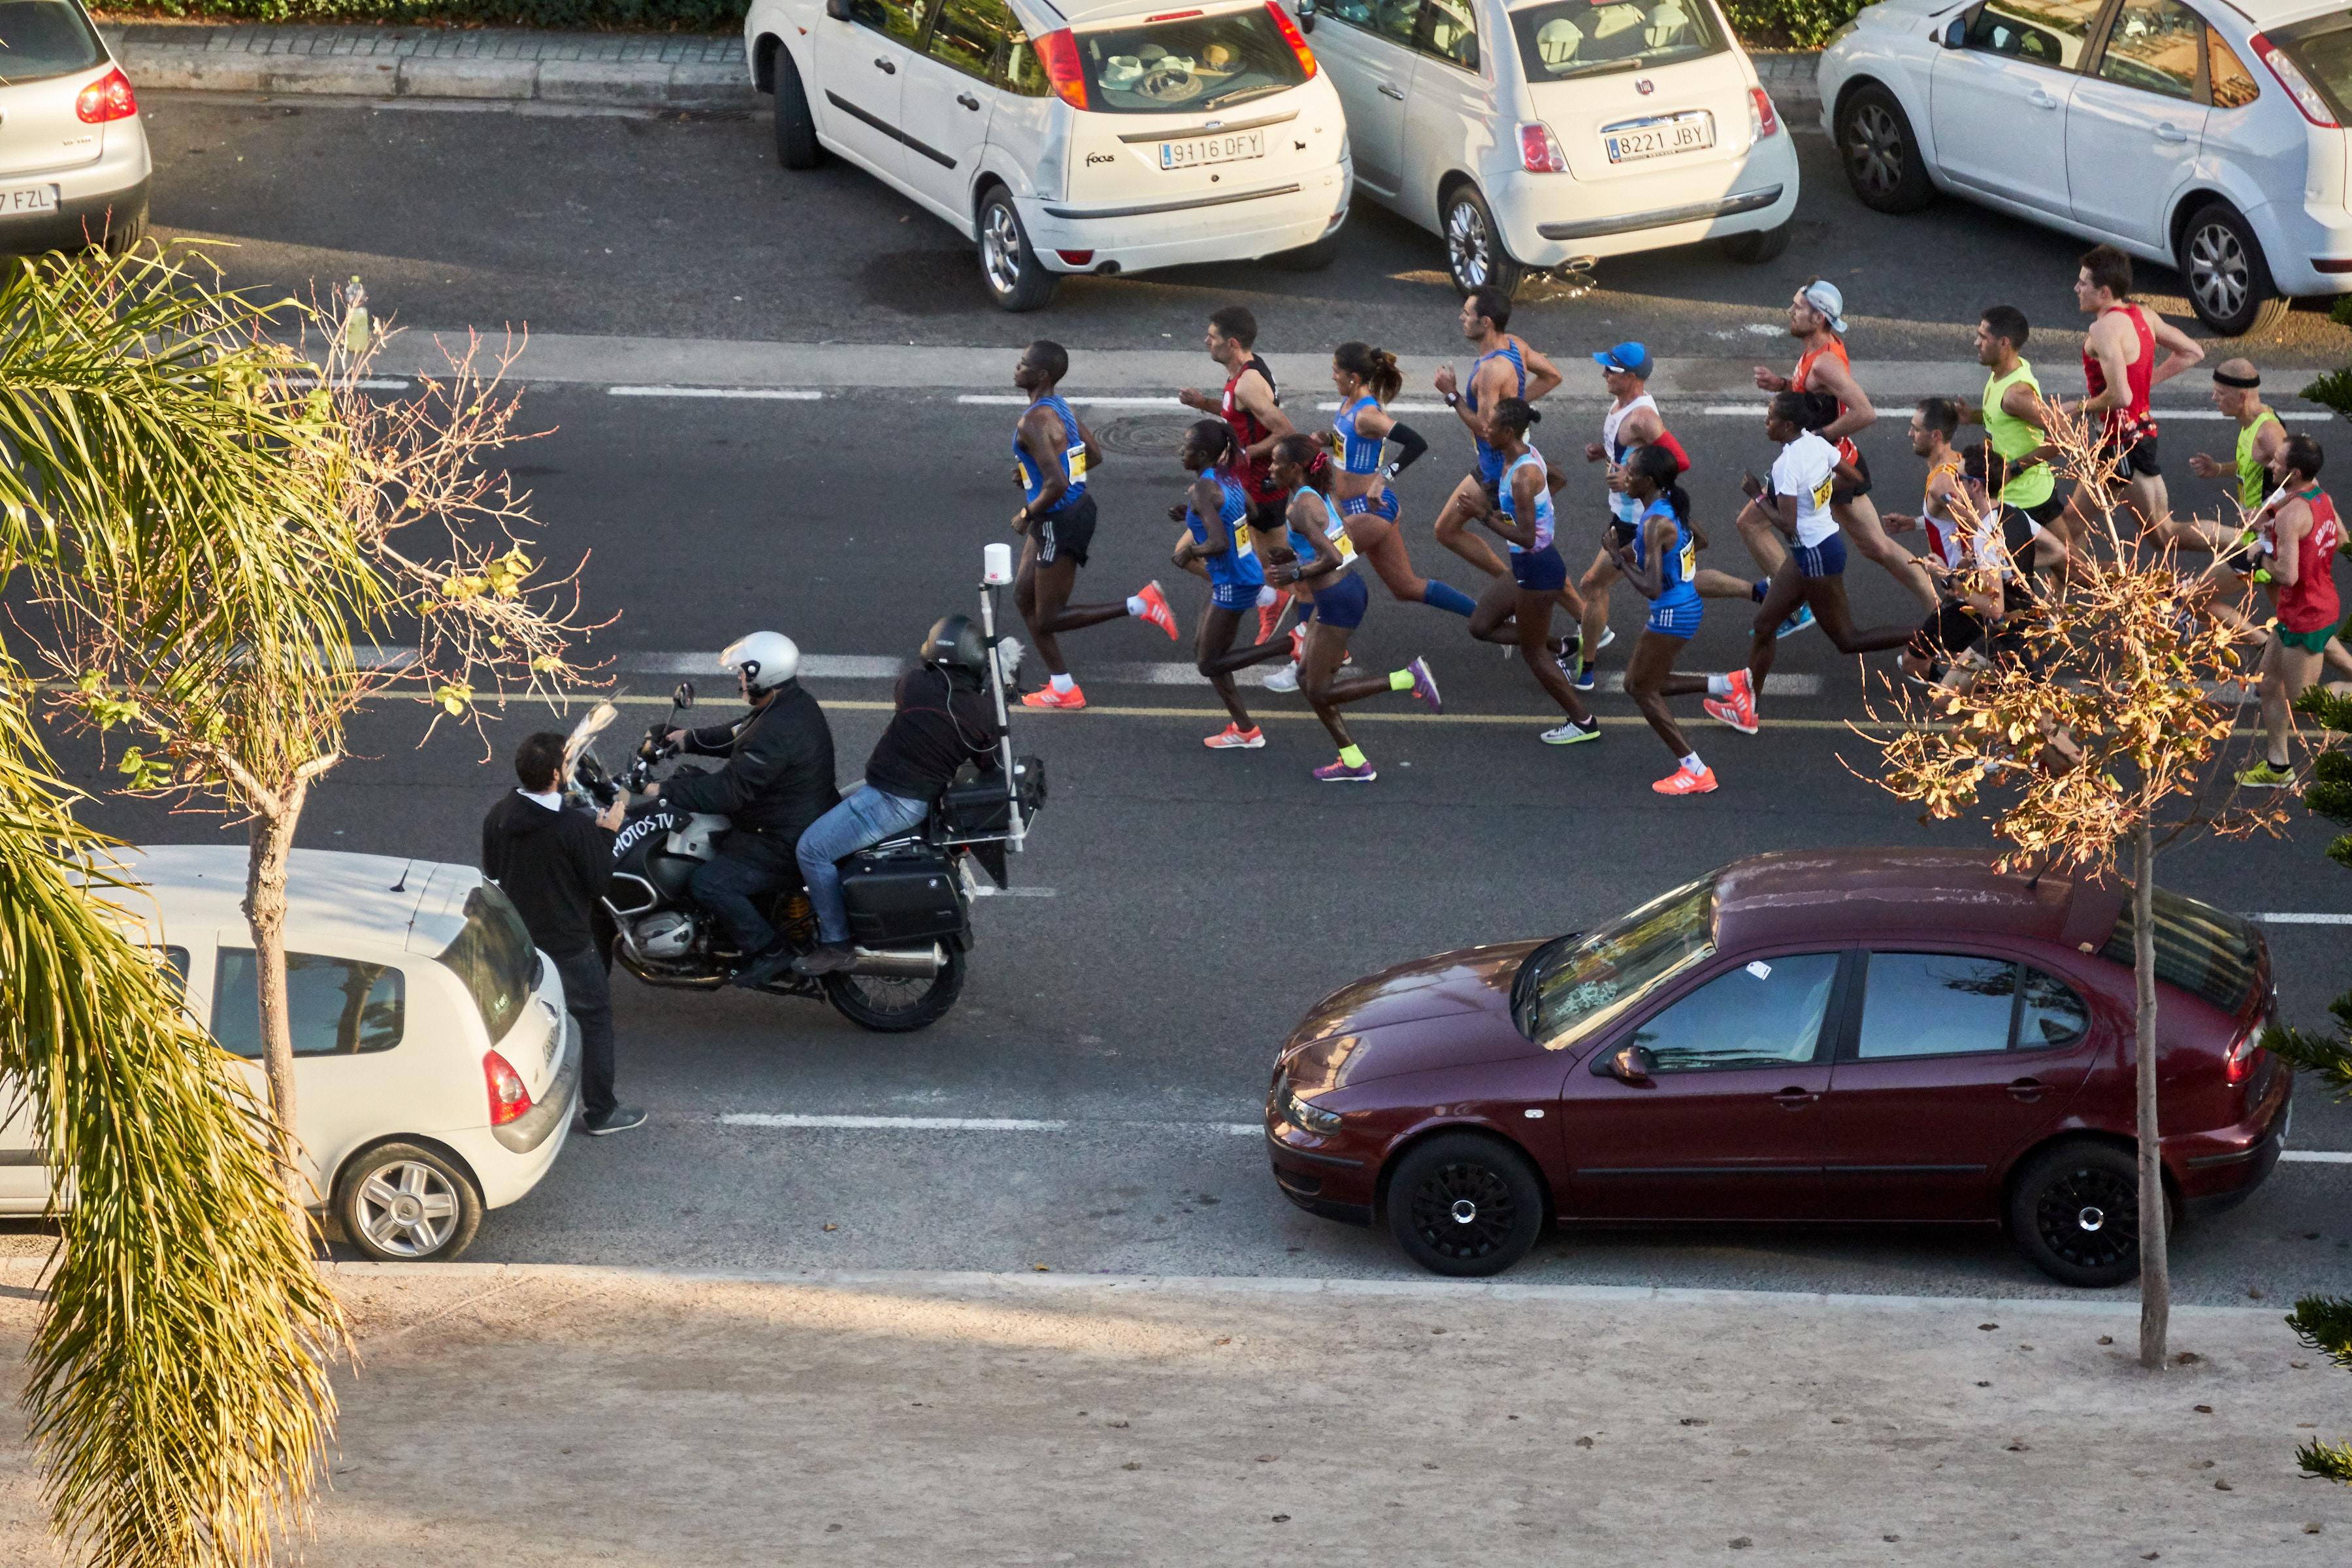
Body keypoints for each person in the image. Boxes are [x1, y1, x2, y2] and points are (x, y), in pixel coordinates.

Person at [794, 617, 1004, 976]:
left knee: (811, 850)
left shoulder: (913, 685)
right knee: (821, 814)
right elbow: (990, 763)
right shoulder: (985, 713)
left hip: (891, 799)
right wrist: (994, 699)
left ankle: (836, 943)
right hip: (909, 795)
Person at [1704, 393, 1921, 736]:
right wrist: (1818, 495)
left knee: (1848, 639)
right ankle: (1746, 709)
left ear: (1788, 426)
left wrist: (1757, 495)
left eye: (1771, 417)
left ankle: (1933, 634)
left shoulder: (1787, 465)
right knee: (1764, 624)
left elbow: (1787, 525)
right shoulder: (1816, 443)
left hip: (1816, 553)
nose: (1766, 421)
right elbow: (1854, 479)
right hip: (1812, 550)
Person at [640, 631, 840, 988]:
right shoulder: (789, 704)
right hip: (794, 816)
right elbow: (738, 734)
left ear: (761, 674)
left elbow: (729, 792)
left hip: (781, 838)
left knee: (709, 883)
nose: (739, 679)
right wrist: (685, 739)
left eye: (742, 673)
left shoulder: (777, 729)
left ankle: (769, 951)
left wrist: (660, 789)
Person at [1746, 280, 1940, 618]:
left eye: (1798, 307)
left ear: (1819, 317)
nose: (1790, 311)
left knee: (1751, 524)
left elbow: (1865, 412)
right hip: (1837, 464)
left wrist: (1817, 438)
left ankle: (1794, 605)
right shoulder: (1819, 348)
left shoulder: (1825, 363)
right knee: (1878, 547)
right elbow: (1816, 395)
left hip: (1826, 468)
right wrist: (1780, 384)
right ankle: (1939, 610)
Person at [480, 732, 641, 1136]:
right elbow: (600, 882)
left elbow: (494, 872)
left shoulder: (499, 815)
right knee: (595, 1017)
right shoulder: (573, 828)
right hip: (567, 943)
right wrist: (607, 833)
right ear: (556, 774)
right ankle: (602, 1111)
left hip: (518, 941)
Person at [1260, 433, 1444, 781]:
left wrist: (1296, 570)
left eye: (1276, 462)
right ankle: (1353, 759)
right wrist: (1297, 554)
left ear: (1295, 468)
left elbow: (1332, 557)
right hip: (1344, 591)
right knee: (1305, 679)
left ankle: (1407, 679)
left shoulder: (1299, 507)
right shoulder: (1318, 493)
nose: (1270, 468)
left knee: (1319, 690)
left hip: (1336, 600)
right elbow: (1339, 534)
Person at [1007, 340, 1178, 711]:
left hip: (1058, 518)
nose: (1016, 368)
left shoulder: (1033, 421)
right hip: (1065, 512)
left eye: (1023, 364)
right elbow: (1093, 455)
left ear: (1042, 375)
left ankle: (1140, 604)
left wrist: (1026, 514)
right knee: (1024, 596)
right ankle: (1062, 686)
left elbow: (1058, 485)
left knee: (1049, 616)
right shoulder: (1059, 407)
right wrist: (1033, 476)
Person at [1462, 398, 1603, 746]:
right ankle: (1566, 645)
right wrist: (1542, 505)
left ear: (1508, 432)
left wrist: (1484, 515)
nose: (1485, 429)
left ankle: (1583, 721)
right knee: (1481, 626)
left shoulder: (1523, 476)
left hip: (1537, 571)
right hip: (1531, 566)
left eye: (1491, 426)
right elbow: (1558, 478)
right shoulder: (1523, 457)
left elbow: (1525, 537)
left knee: (1533, 653)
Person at [2057, 244, 2203, 543]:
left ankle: (2247, 547)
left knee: (2164, 535)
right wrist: (2146, 382)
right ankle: (2060, 590)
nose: (2076, 288)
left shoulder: (2103, 330)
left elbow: (2120, 397)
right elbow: (2192, 352)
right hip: (2130, 437)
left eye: (2083, 283)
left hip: (2123, 445)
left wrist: (2080, 406)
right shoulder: (2144, 315)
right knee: (2073, 523)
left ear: (2104, 293)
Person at [1169, 417, 1295, 749]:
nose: (1181, 453)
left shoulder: (1204, 489)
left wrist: (1191, 552)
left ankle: (1288, 645)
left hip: (1234, 583)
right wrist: (1195, 514)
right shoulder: (1226, 479)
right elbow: (1250, 512)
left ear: (1203, 454)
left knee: (1208, 663)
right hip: (1242, 573)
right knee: (1206, 652)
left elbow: (1220, 543)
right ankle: (1245, 729)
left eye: (1187, 449)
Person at [1177, 305, 1296, 639]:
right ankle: (1265, 598)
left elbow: (1286, 431)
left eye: (1211, 337)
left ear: (1230, 343)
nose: (1206, 341)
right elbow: (1238, 414)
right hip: (1241, 487)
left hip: (1258, 492)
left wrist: (1243, 454)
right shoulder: (1242, 372)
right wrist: (1204, 403)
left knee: (1285, 577)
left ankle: (1325, 644)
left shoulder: (1248, 384)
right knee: (1279, 575)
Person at [1609, 444, 1717, 796]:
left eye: (1631, 472)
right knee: (1634, 684)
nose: (1624, 477)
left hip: (1672, 611)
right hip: (1682, 606)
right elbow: (1699, 539)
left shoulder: (1655, 522)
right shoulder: (1667, 507)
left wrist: (1618, 559)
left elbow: (1651, 588)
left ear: (1649, 480)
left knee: (1642, 688)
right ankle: (1726, 686)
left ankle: (1695, 769)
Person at [2238, 434, 2344, 789]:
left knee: (2304, 701)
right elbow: (2340, 538)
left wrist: (2259, 556)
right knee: (2269, 685)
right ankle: (2278, 767)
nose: (2271, 465)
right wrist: (2270, 523)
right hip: (2303, 607)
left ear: (2294, 472)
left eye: (2278, 462)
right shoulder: (2319, 496)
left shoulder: (2292, 516)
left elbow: (2287, 575)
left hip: (2307, 613)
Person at [1575, 341, 1666, 687]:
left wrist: (1628, 479)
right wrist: (1606, 454)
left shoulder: (1643, 417)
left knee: (1592, 584)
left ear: (1630, 377)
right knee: (1683, 583)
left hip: (1636, 520)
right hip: (1625, 515)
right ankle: (1761, 592)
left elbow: (1674, 464)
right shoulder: (1620, 404)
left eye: (1611, 370)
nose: (1603, 374)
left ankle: (1586, 671)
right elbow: (1633, 454)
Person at [1883, 397, 1972, 685]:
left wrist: (1961, 571)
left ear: (1935, 436)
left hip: (1964, 588)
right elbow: (1949, 519)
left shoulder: (1942, 483)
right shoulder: (1958, 462)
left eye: (1915, 429)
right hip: (1961, 587)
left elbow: (1976, 522)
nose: (1910, 434)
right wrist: (1915, 523)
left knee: (1913, 663)